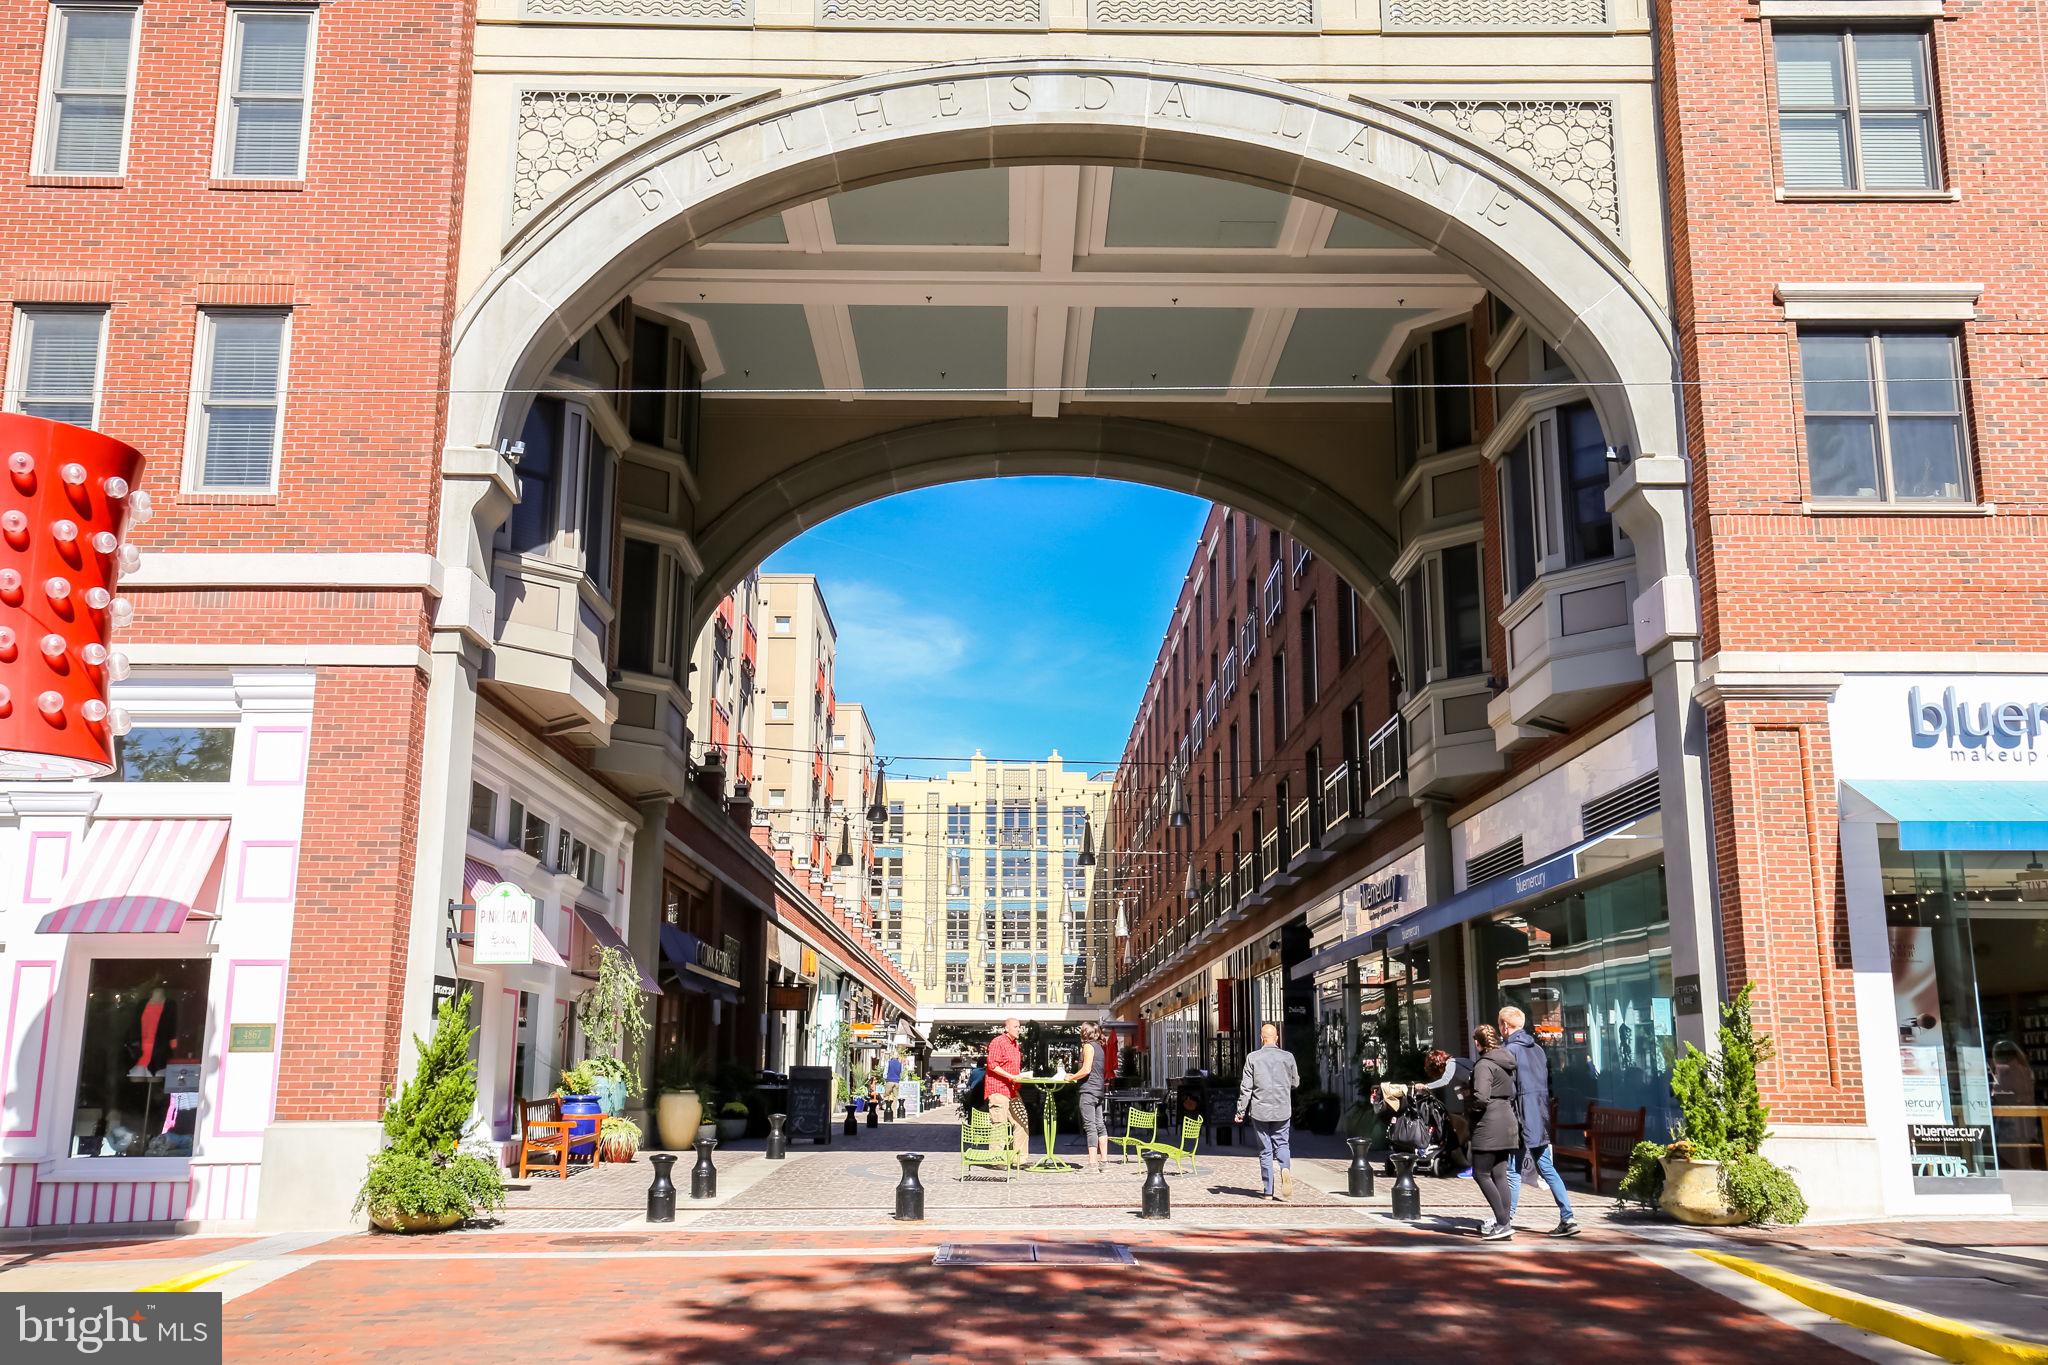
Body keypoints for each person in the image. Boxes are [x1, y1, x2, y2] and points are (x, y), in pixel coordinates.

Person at [1501, 1005, 1580, 1237]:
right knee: (1546, 1167)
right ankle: (1568, 1216)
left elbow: (1509, 1087)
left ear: (1505, 1026)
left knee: (1512, 1169)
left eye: (1500, 1025)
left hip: (1520, 1115)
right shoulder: (1538, 1049)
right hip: (1540, 1114)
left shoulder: (1509, 1050)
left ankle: (1507, 1219)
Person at [1235, 1022, 1300, 1200]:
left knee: (1265, 1150)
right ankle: (1285, 1168)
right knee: (1283, 1144)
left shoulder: (1253, 1058)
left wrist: (1240, 1111)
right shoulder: (1288, 1057)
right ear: (1277, 1038)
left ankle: (1268, 1191)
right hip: (1282, 1109)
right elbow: (1295, 1083)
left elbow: (1246, 1088)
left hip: (1260, 1110)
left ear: (1261, 1038)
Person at [1467, 1024, 1520, 1241]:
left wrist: (1469, 1106)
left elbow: (1481, 1096)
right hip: (1507, 1119)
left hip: (1488, 1123)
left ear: (1478, 1043)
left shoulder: (1484, 1065)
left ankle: (1502, 1222)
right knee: (1500, 1173)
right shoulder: (1506, 1061)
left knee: (1480, 1173)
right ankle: (1504, 1222)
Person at [985, 1017, 1031, 1161]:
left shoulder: (1015, 1045)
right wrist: (1011, 1076)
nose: (1019, 1029)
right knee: (999, 1124)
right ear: (1007, 1028)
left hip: (1012, 1089)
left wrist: (1018, 1077)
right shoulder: (998, 1042)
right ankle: (996, 1159)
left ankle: (1019, 1159)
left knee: (1022, 1121)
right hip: (998, 1088)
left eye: (1020, 1027)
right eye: (1016, 1027)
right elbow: (992, 1065)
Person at [1076, 1022, 1109, 1172]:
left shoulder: (1088, 1047)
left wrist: (1071, 1077)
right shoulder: (1100, 1048)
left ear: (1085, 1032)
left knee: (1090, 1127)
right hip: (1098, 1090)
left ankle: (1092, 1163)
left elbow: (1086, 1069)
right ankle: (1104, 1161)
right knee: (1100, 1125)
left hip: (1088, 1090)